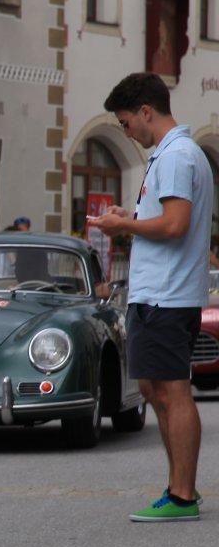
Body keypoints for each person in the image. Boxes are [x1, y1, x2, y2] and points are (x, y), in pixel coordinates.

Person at [88, 71, 216, 521]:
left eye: (126, 123)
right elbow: (168, 219)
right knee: (154, 388)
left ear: (146, 111)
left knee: (172, 390)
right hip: (161, 292)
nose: (126, 132)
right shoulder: (175, 153)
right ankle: (180, 487)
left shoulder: (177, 155)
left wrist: (124, 225)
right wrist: (132, 217)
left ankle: (182, 495)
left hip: (167, 293)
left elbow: (176, 225)